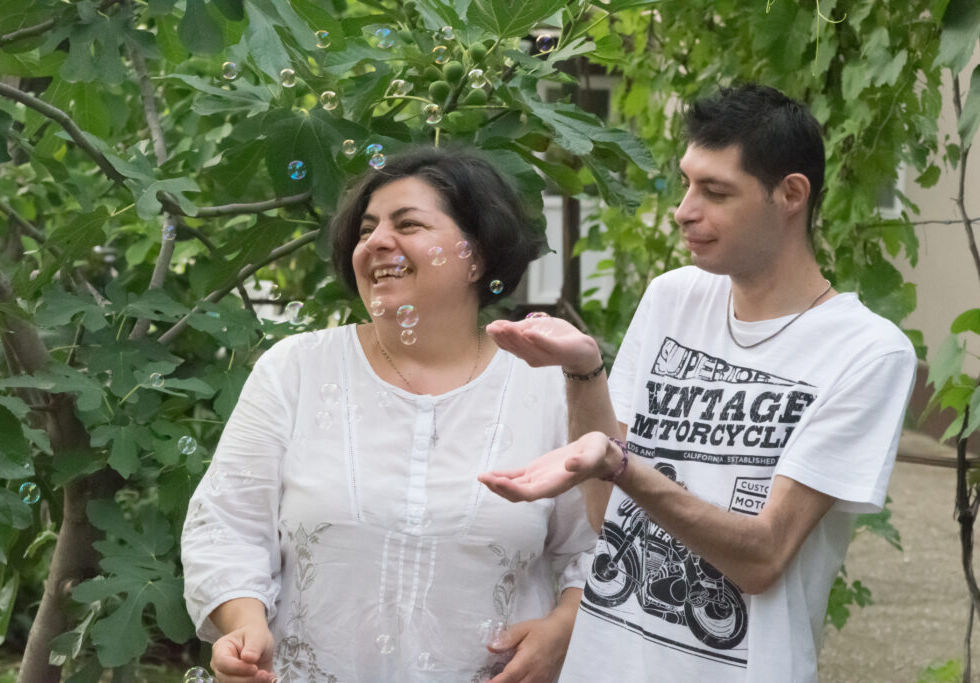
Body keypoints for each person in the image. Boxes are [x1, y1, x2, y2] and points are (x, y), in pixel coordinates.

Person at [480, 84, 917, 682]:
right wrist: (584, 371)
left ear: (790, 194)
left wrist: (620, 465)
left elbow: (763, 557)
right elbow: (613, 515)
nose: (685, 209)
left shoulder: (866, 352)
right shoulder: (673, 298)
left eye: (715, 191)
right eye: (687, 182)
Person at [181, 147, 595, 683]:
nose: (376, 242)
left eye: (408, 224)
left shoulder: (550, 386)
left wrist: (564, 626)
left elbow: (599, 544)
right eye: (366, 229)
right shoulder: (296, 370)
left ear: (477, 255)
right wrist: (244, 623)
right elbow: (226, 526)